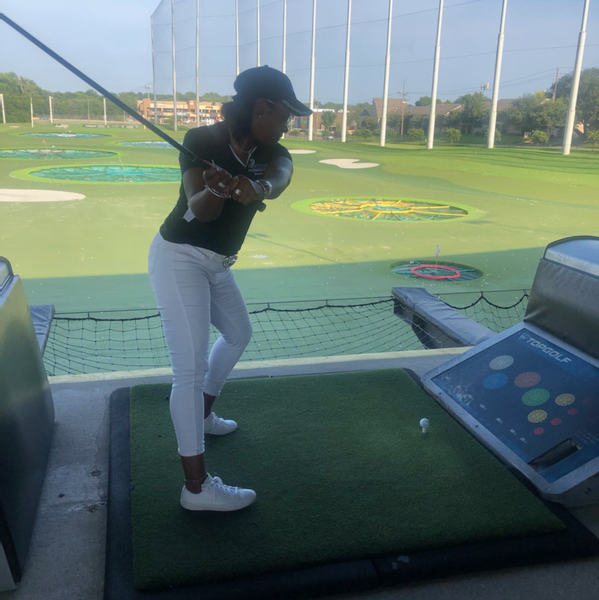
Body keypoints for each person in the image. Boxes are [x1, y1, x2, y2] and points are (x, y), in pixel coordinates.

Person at [148, 66, 312, 512]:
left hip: (218, 265)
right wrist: (217, 189)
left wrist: (257, 186)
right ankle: (196, 488)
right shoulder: (202, 141)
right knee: (189, 370)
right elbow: (199, 210)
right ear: (262, 108)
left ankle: (203, 414)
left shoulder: (273, 151)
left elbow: (280, 178)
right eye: (285, 116)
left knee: (239, 334)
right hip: (180, 257)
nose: (287, 126)